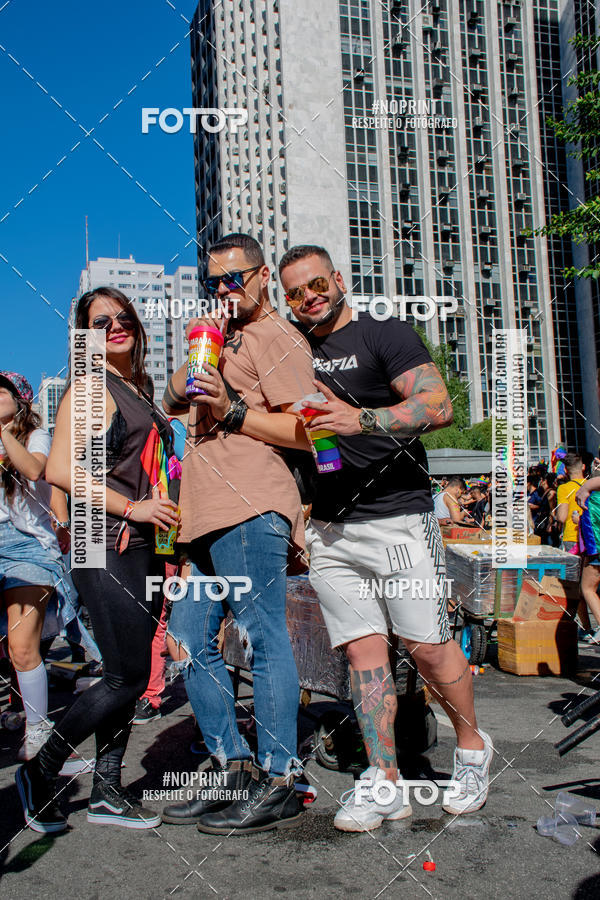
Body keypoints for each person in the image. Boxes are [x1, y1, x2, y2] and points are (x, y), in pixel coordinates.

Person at [279, 244, 492, 832]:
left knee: (425, 647)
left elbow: (438, 404)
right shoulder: (293, 353)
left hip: (397, 515)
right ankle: (384, 780)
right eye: (294, 292)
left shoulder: (383, 333)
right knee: (362, 656)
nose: (309, 298)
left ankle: (472, 751)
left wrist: (360, 418)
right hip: (328, 527)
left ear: (338, 280)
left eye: (317, 284)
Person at [160, 233, 314, 835]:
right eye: (214, 281)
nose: (224, 291)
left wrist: (233, 412)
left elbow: (312, 434)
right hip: (199, 515)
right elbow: (172, 400)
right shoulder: (225, 339)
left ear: (262, 277)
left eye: (234, 279)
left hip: (250, 506)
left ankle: (279, 777)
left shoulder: (277, 337)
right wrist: (203, 342)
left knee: (260, 634)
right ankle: (232, 766)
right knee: (189, 640)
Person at [15, 288, 179, 834]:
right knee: (129, 673)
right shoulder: (90, 387)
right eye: (99, 320)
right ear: (84, 335)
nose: (115, 325)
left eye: (123, 316)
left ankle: (109, 791)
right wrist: (134, 505)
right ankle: (40, 770)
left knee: (126, 672)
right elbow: (58, 470)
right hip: (101, 538)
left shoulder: (139, 388)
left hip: (141, 543)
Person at [0, 372, 79, 762]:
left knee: (22, 647)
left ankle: (39, 735)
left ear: (22, 401)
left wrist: (2, 434)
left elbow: (33, 471)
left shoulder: (36, 438)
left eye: (3, 392)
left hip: (27, 548)